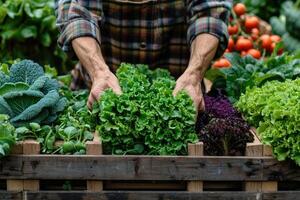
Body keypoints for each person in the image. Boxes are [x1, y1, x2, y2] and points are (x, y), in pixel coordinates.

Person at [55, 0, 231, 112]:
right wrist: (99, 72)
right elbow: (76, 13)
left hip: (184, 96)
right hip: (97, 94)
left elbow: (210, 13)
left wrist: (194, 74)